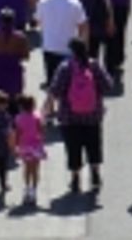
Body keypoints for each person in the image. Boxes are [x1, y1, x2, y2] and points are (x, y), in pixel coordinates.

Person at [46, 39, 108, 196]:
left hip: (69, 116)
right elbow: (107, 85)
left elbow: (56, 90)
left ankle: (75, 178)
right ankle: (95, 173)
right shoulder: (94, 65)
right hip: (92, 115)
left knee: (73, 147)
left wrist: (49, 106)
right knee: (93, 145)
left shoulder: (65, 67)